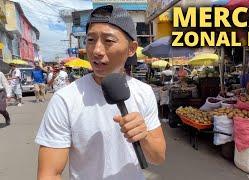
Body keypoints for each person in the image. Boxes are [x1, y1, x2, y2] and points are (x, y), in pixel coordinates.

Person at [35, 5, 166, 180]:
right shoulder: (65, 99)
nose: (96, 50)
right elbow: (49, 173)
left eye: (108, 41)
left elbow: (158, 157)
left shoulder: (144, 92)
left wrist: (144, 135)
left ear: (131, 48)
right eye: (90, 40)